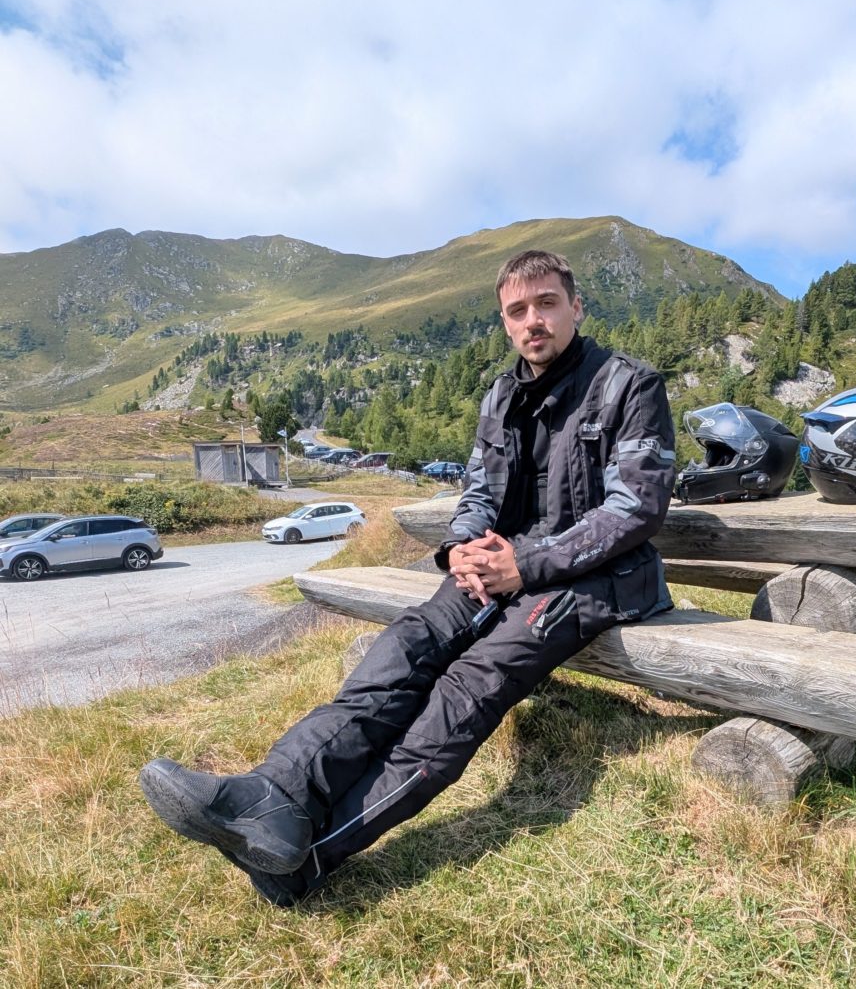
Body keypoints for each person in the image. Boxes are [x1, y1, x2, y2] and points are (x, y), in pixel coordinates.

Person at [140, 249, 676, 906]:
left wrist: (525, 564)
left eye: (546, 304)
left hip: (598, 577)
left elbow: (635, 509)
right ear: (506, 323)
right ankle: (274, 792)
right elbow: (479, 490)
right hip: (503, 564)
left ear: (575, 307)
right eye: (517, 311)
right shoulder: (502, 394)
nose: (533, 320)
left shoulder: (628, 384)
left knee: (470, 685)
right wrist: (461, 549)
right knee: (407, 644)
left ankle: (306, 859)